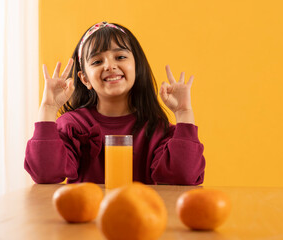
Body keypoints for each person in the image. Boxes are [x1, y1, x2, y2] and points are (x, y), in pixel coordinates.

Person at [24, 22, 205, 185]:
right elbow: (44, 174)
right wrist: (48, 109)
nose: (109, 66)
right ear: (85, 79)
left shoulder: (156, 128)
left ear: (137, 67)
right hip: (87, 220)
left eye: (120, 57)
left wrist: (184, 113)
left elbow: (183, 176)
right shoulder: (72, 125)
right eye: (97, 61)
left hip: (140, 219)